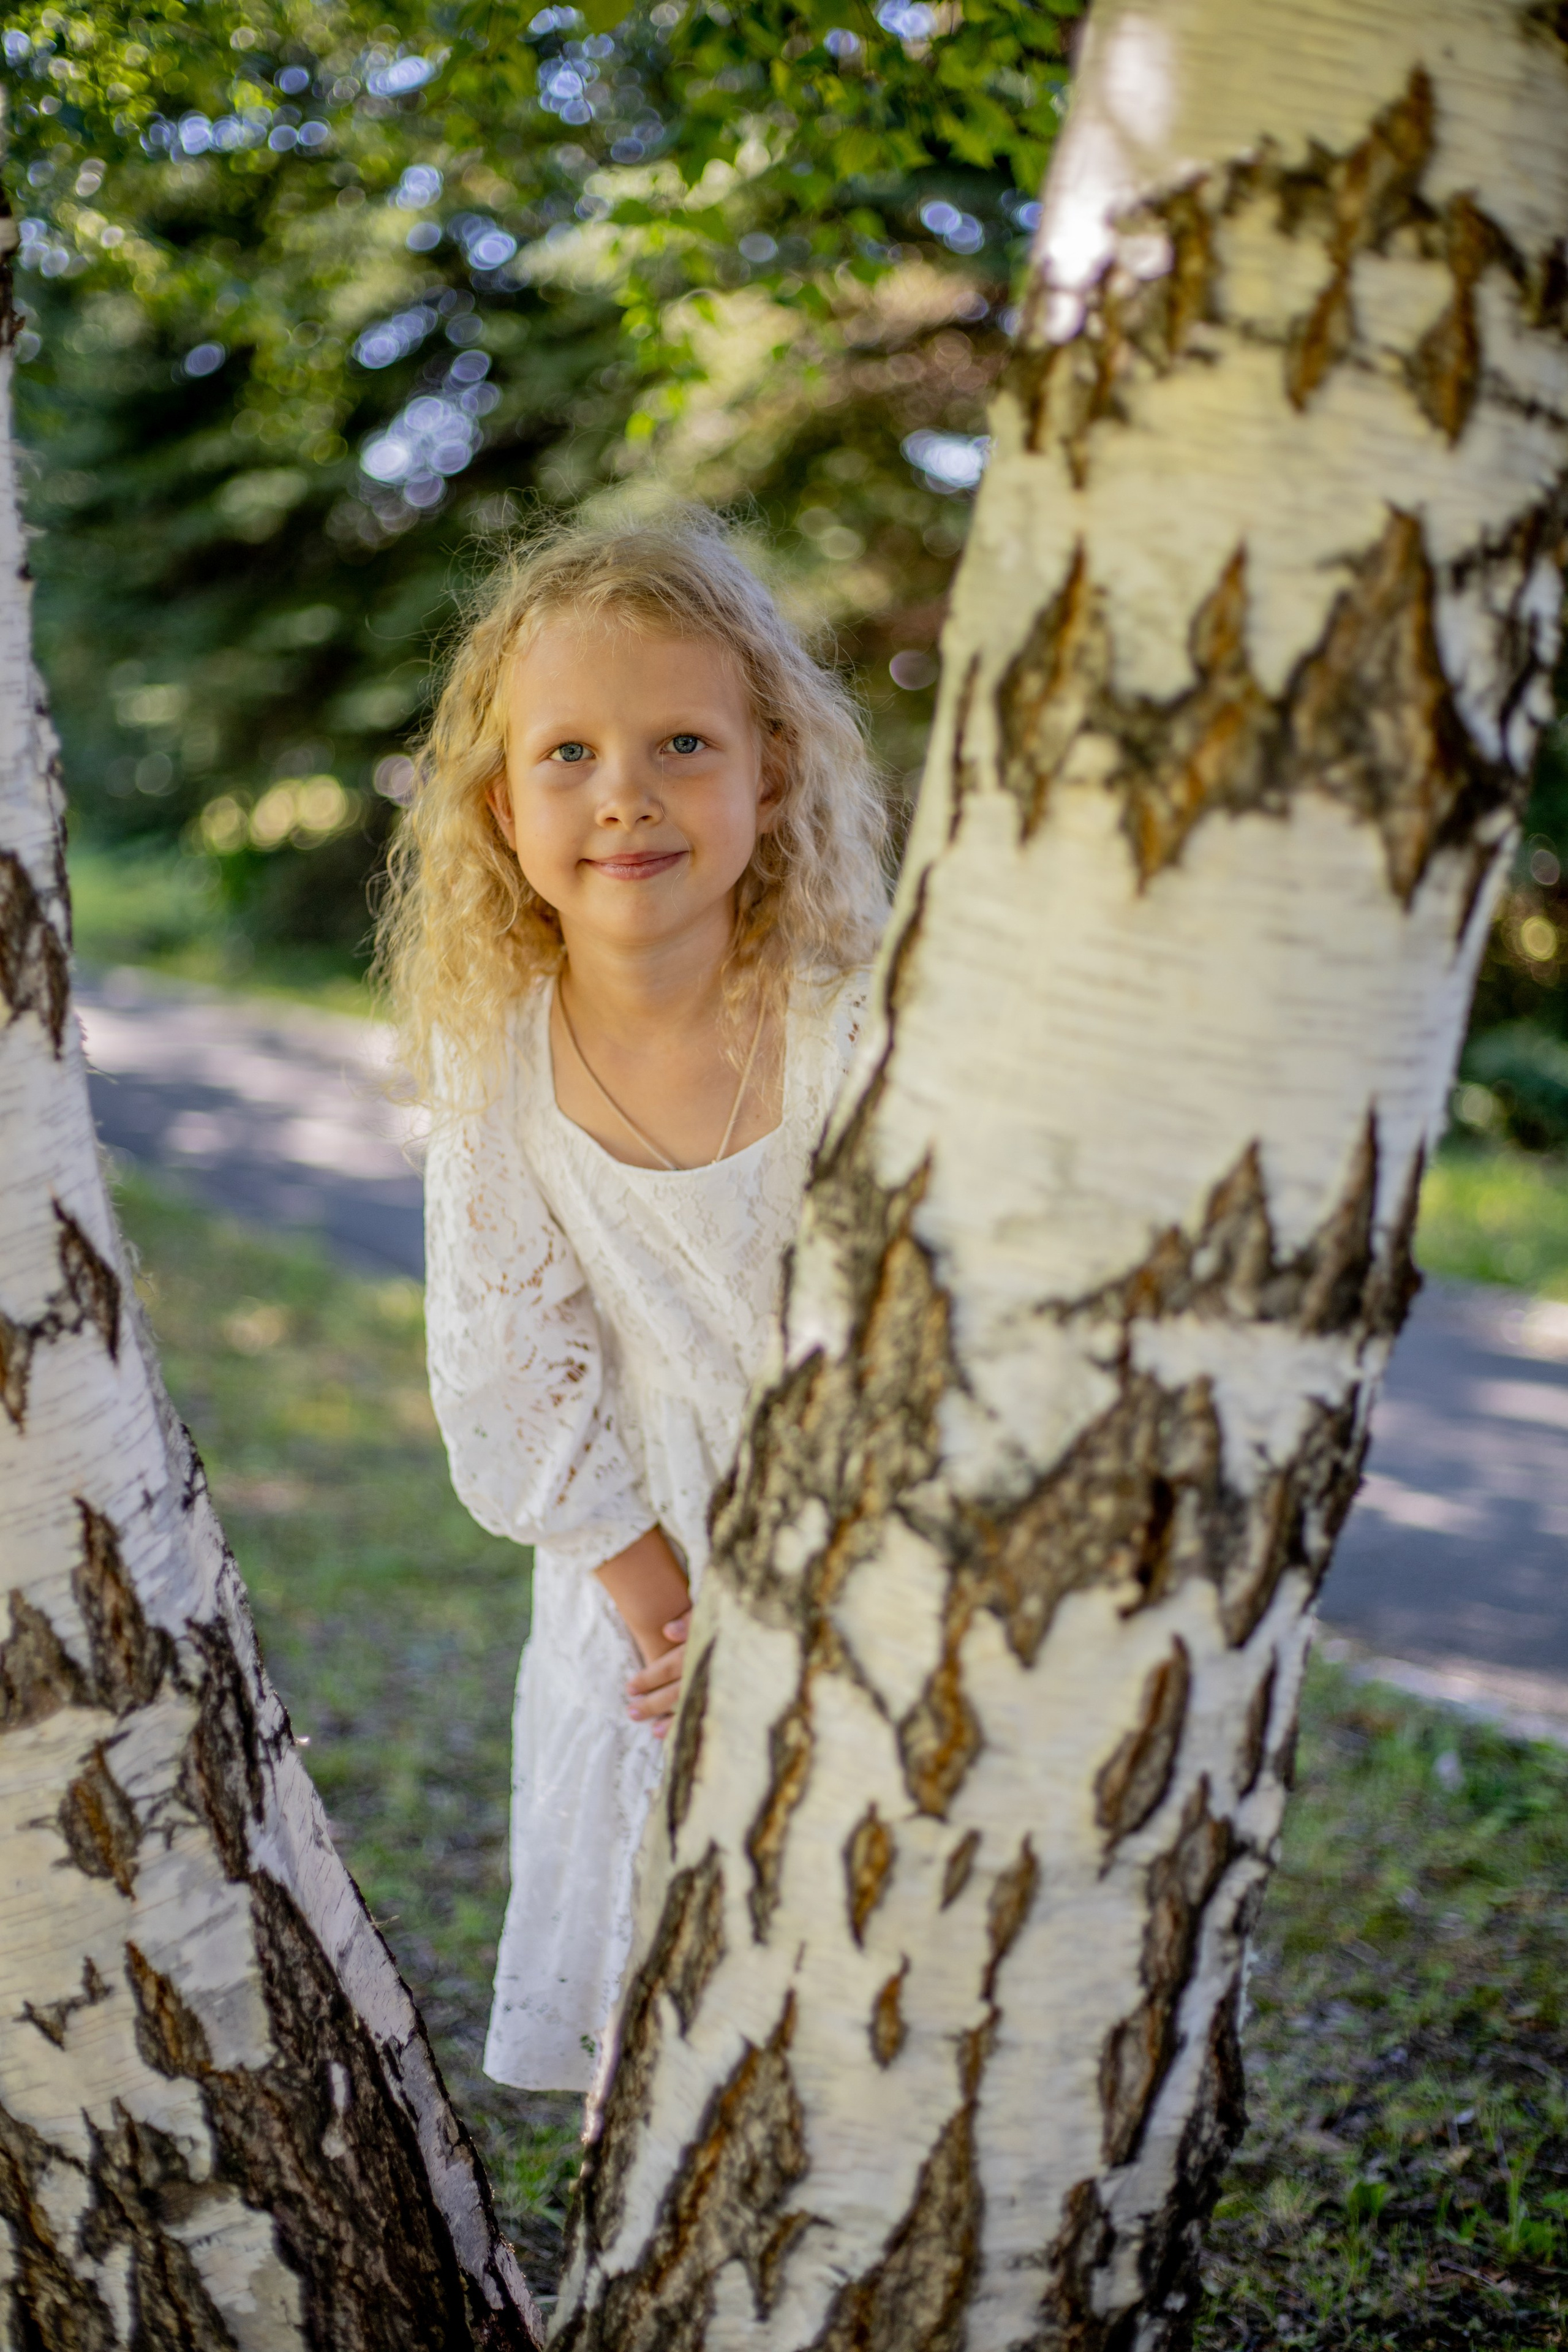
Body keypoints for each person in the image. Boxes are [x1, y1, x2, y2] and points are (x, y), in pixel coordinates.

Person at [377, 511, 889, 2094]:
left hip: (872, 1582)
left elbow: (929, 1360)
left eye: (682, 743)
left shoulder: (855, 1037)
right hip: (644, 1614)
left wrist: (804, 1615)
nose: (626, 795)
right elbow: (510, 1368)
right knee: (680, 2044)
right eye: (570, 755)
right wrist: (687, 1629)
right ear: (500, 807)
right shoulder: (497, 1062)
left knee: (864, 2011)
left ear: (772, 775)